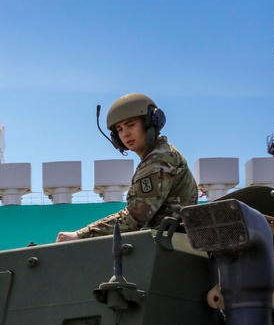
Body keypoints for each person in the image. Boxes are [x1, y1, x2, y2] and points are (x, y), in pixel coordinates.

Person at [56, 93, 197, 241]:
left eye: (131, 125)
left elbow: (135, 217)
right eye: (119, 129)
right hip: (167, 245)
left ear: (150, 123)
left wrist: (80, 235)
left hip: (168, 249)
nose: (125, 134)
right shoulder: (158, 155)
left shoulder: (159, 159)